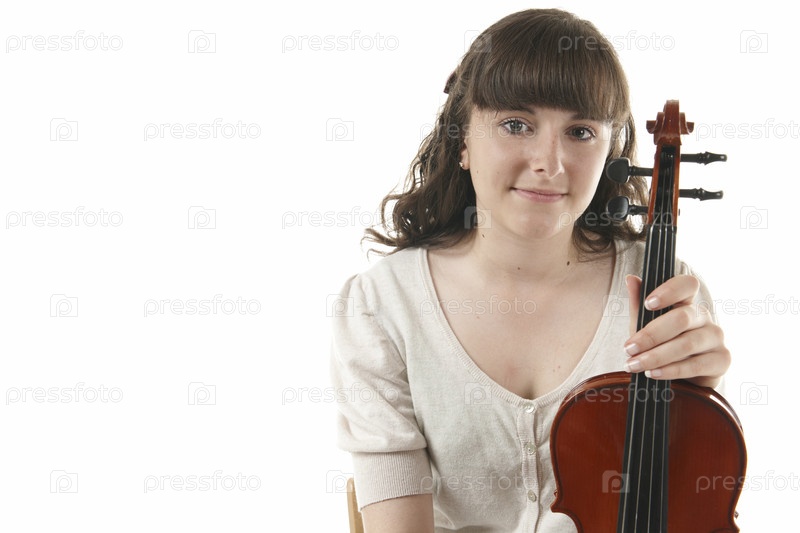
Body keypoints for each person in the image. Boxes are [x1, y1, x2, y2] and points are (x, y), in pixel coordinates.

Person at [330, 8, 730, 532]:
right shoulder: (382, 306)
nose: (550, 163)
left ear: (610, 151)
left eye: (580, 132)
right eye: (516, 124)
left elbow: (688, 505)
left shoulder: (664, 290)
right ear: (462, 141)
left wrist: (700, 404)